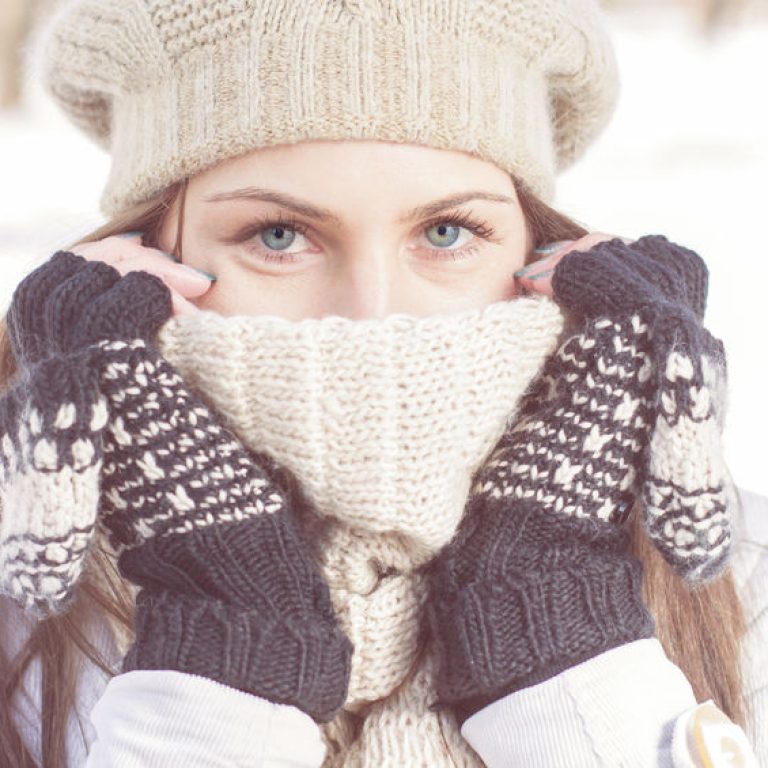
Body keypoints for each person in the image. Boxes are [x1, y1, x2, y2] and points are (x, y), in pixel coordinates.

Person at [0, 0, 765, 766]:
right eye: (279, 235)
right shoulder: (29, 608)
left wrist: (552, 620)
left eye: (446, 232)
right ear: (146, 259)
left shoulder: (744, 586)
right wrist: (229, 637)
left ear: (546, 259)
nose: (373, 313)